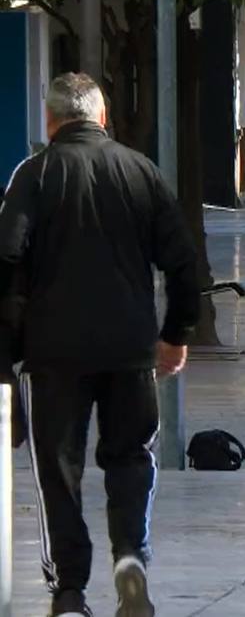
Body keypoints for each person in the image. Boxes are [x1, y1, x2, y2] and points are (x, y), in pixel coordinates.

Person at [0, 73, 200, 617]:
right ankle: (129, 556)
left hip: (52, 353)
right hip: (131, 348)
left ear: (50, 121)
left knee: (57, 471)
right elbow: (185, 265)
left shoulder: (33, 175)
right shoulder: (141, 172)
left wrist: (5, 353)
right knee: (132, 456)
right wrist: (174, 335)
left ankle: (68, 591)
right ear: (102, 117)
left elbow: (7, 260)